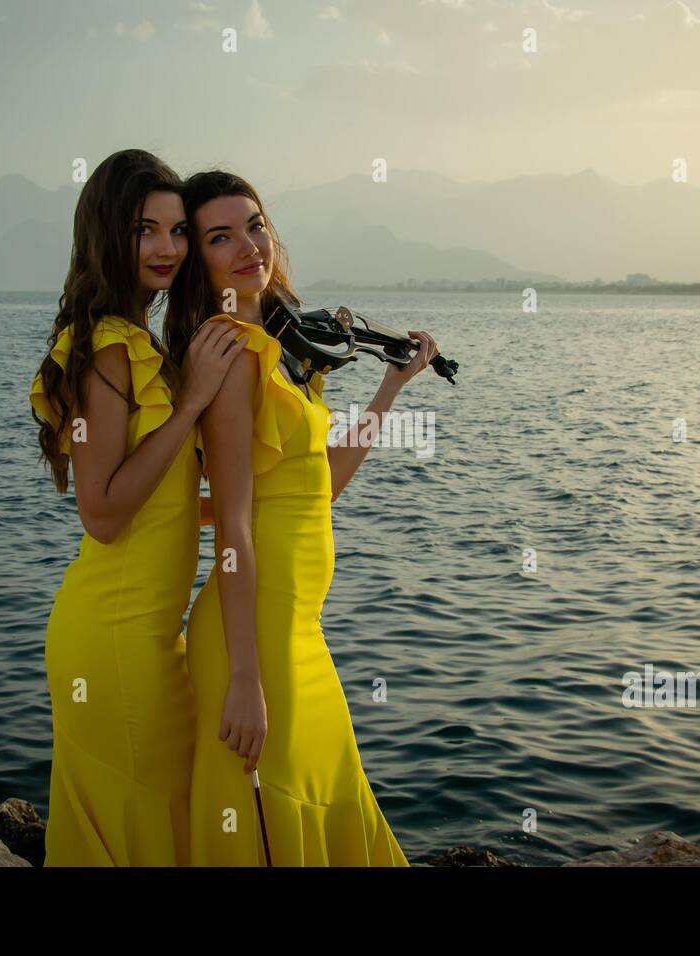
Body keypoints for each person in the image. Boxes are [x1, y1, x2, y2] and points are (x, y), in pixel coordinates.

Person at [164, 170, 438, 865]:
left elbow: (320, 486)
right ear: (197, 259)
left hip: (297, 634)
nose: (248, 245)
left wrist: (388, 390)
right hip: (253, 643)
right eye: (220, 237)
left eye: (254, 225)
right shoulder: (230, 352)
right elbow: (233, 528)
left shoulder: (283, 350)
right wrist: (245, 681)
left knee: (333, 806)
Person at [29, 150, 246, 865]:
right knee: (145, 832)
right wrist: (192, 404)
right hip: (114, 639)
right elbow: (103, 511)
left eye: (178, 231)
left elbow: (160, 501)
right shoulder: (108, 350)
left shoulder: (134, 342)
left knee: (149, 828)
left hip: (144, 637)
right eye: (144, 229)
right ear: (104, 235)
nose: (167, 248)